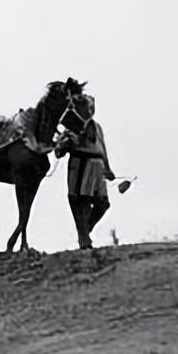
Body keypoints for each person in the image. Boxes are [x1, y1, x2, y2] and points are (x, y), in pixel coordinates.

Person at [55, 105, 115, 250]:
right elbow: (59, 152)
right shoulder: (71, 130)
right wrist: (66, 142)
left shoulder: (97, 127)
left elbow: (102, 147)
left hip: (97, 167)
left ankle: (85, 232)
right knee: (80, 202)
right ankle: (84, 239)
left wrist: (107, 167)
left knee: (103, 203)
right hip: (80, 164)